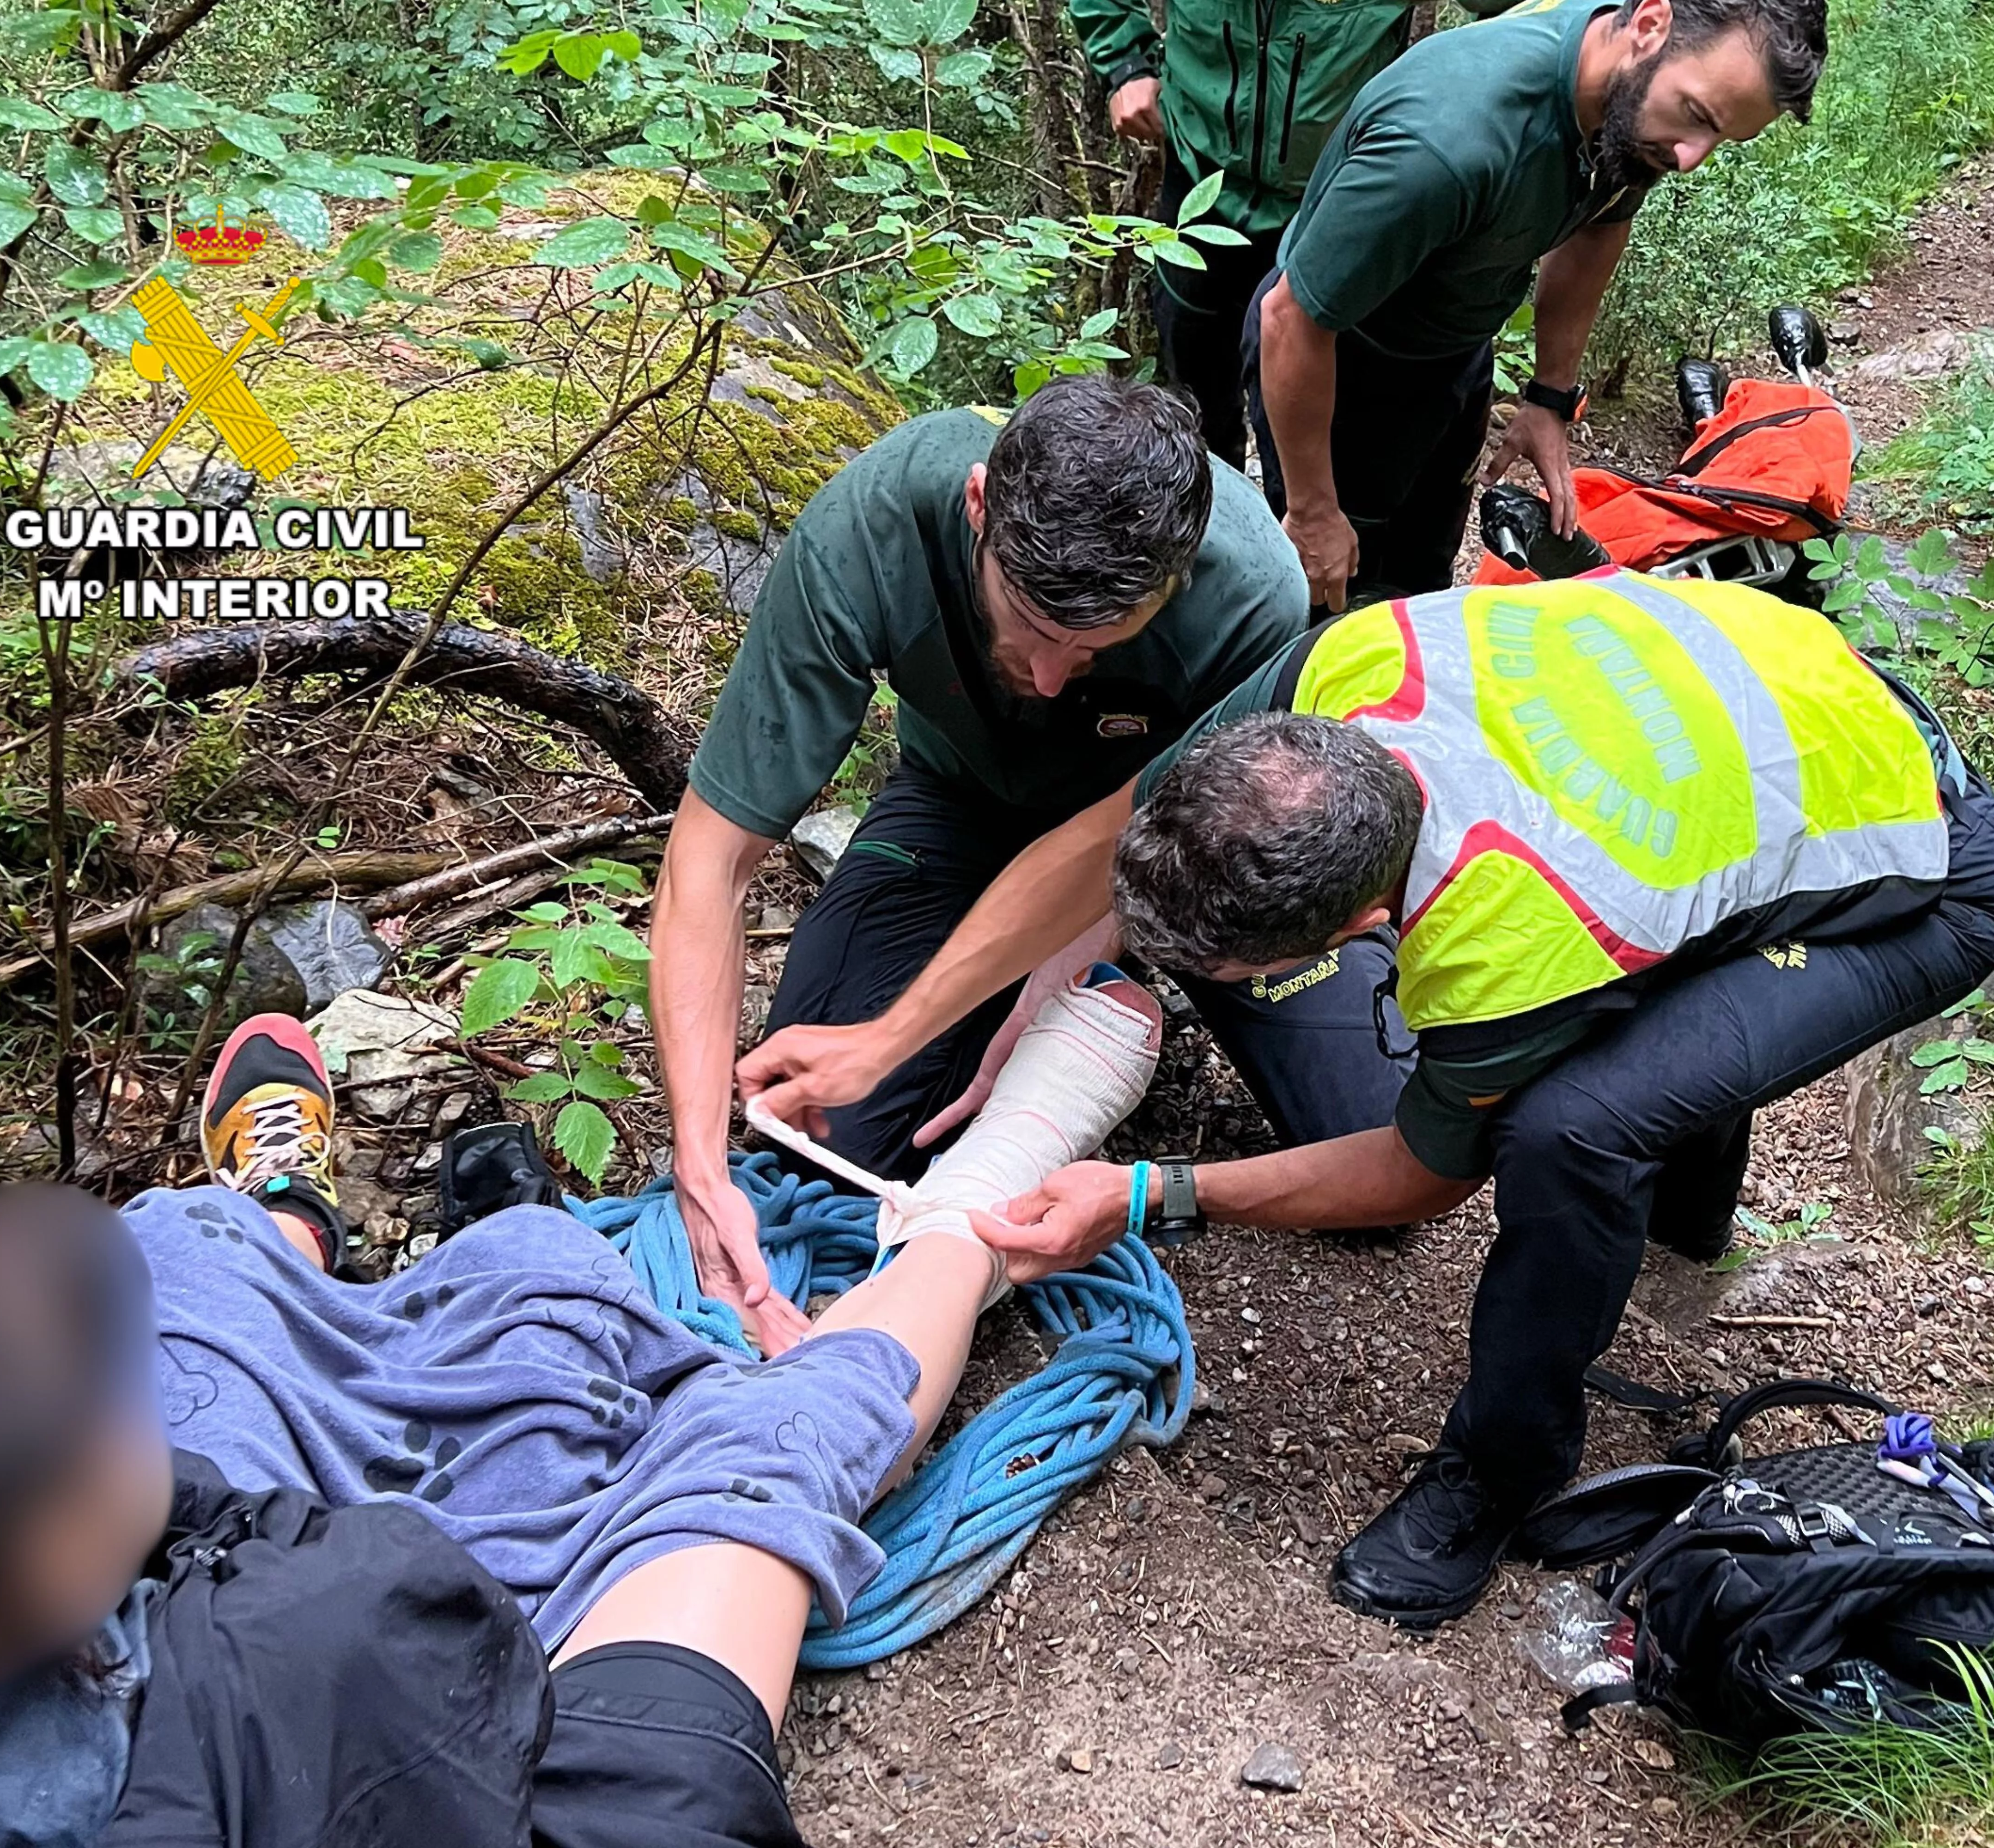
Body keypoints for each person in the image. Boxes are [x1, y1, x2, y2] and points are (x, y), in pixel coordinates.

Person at [738, 573, 1994, 1628]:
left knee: (1569, 1131)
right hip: (1773, 715)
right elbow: (1127, 823)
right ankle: (1688, 1213)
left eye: (1224, 972)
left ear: (1363, 928)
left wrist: (1151, 1195)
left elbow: (1423, 1172)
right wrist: (907, 1026)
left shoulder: (1511, 931)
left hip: (1920, 860)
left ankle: (1501, 1477)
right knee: (1657, 1012)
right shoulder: (1339, 679)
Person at [0, 988, 1162, 1845]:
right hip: (522, 1769)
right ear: (49, 1547)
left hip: (183, 1689)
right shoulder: (325, 1616)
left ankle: (283, 1216)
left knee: (175, 1251)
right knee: (741, 1440)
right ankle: (974, 1226)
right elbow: (447, 1607)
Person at [650, 372, 1410, 1353]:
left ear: (1175, 582)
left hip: (1188, 855)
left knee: (1370, 1129)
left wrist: (1088, 940)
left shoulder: (1251, 590)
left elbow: (1124, 845)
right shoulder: (872, 525)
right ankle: (1055, 1028)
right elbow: (708, 861)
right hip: (967, 805)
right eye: (1033, 628)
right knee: (823, 1141)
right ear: (980, 509)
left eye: (1096, 648)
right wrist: (698, 1160)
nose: (1050, 678)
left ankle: (1108, 1002)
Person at [1248, 0, 1826, 610]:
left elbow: (1604, 219)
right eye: (1697, 116)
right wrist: (1313, 512)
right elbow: (1291, 320)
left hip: (1454, 350)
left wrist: (1551, 396)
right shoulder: (1444, 146)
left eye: (1721, 138)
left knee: (1421, 584)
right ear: (1651, 24)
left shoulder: (1633, 103)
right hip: (1346, 374)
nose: (1691, 159)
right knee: (1337, 596)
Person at [1068, 0, 1417, 465]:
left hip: (1334, 193)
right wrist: (1126, 63)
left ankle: (1302, 524)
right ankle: (1212, 514)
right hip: (1198, 176)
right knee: (1197, 409)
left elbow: (1515, 20)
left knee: (1324, 424)